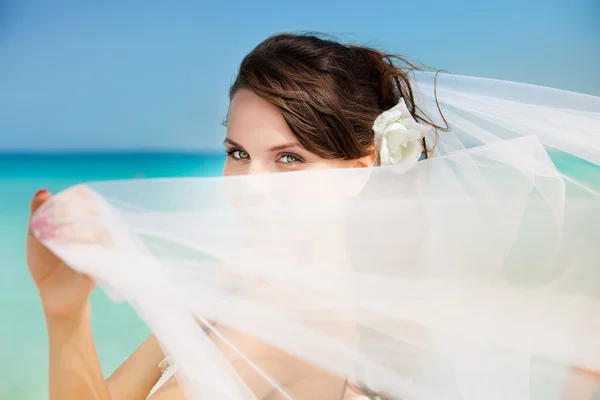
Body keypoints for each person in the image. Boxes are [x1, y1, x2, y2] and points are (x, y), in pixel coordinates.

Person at [26, 33, 600, 400]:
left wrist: (66, 314)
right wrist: (64, 305)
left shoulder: (282, 328)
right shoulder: (243, 286)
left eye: (289, 159)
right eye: (237, 154)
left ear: (361, 168)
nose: (250, 186)